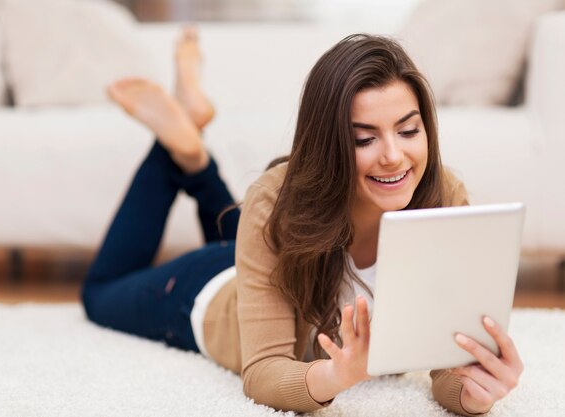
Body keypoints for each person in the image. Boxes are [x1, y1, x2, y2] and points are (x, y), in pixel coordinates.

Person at [81, 27, 523, 416]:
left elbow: (447, 370)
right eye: (364, 139)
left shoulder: (444, 199)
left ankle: (193, 146)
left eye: (408, 131)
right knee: (99, 293)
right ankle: (177, 152)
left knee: (254, 225)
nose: (393, 155)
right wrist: (334, 376)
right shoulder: (274, 204)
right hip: (207, 291)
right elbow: (262, 372)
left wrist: (475, 392)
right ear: (327, 144)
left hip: (279, 253)